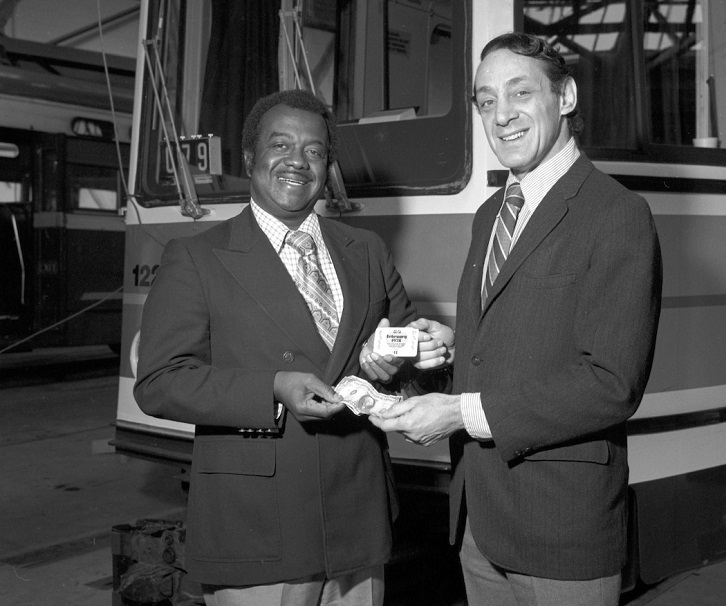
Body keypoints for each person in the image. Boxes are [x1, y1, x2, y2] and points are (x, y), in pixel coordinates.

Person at [366, 32, 662, 605]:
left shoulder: (617, 214)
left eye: (520, 93)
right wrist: (449, 350)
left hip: (561, 532)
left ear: (567, 96)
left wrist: (457, 412)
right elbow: (515, 341)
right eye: (485, 101)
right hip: (481, 525)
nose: (501, 117)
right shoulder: (490, 214)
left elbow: (611, 382)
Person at [133, 89, 444, 606]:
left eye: (315, 151)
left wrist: (414, 358)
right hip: (257, 525)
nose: (297, 161)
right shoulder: (196, 257)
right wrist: (274, 388)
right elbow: (159, 382)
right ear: (251, 159)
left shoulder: (365, 250)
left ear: (328, 165)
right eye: (280, 145)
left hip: (356, 517)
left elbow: (411, 367)